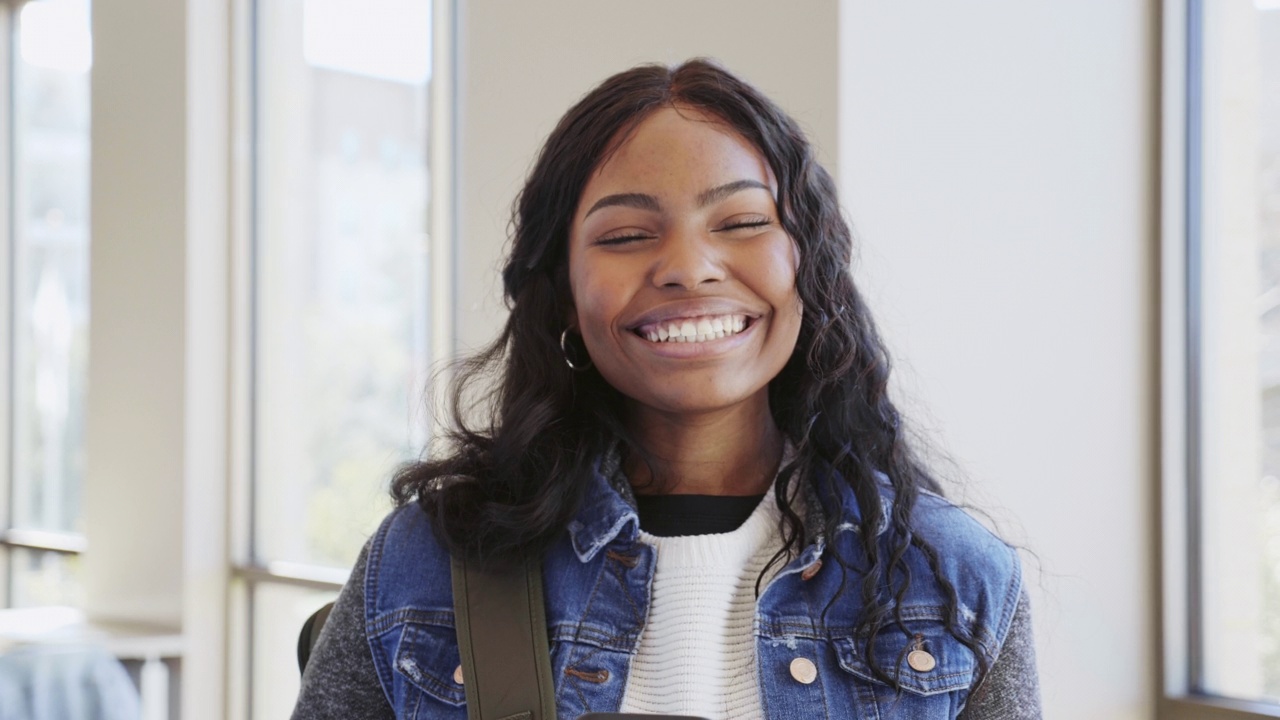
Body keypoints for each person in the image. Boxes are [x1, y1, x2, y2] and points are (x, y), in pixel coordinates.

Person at [292, 58, 1041, 720]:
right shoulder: (429, 562)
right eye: (625, 236)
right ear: (561, 292)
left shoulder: (954, 581)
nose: (689, 267)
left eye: (743, 221)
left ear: (809, 268)